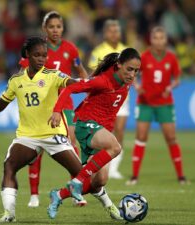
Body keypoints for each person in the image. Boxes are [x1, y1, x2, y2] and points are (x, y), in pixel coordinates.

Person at [0, 37, 85, 222]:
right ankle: (9, 214)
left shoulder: (53, 75)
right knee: (9, 166)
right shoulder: (16, 80)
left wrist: (90, 82)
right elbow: (0, 106)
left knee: (82, 174)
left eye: (44, 55)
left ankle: (109, 204)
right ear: (27, 55)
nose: (42, 59)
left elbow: (74, 83)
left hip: (53, 134)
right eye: (37, 55)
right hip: (28, 137)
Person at [47, 48, 141, 219]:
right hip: (86, 125)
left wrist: (107, 131)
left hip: (99, 130)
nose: (132, 74)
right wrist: (56, 111)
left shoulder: (126, 83)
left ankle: (58, 195)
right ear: (119, 65)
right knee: (115, 147)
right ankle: (76, 182)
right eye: (129, 69)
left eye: (136, 71)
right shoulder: (102, 81)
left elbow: (110, 111)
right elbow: (69, 89)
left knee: (99, 181)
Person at [19, 11, 88, 208]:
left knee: (71, 144)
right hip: (42, 105)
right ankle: (34, 195)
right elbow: (23, 70)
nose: (55, 30)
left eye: (58, 26)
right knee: (36, 148)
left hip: (65, 103)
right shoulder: (38, 49)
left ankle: (76, 191)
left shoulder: (70, 49)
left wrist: (88, 87)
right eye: (51, 27)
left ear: (63, 28)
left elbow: (80, 71)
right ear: (45, 29)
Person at [126, 26, 188, 185]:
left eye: (162, 38)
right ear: (151, 40)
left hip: (164, 103)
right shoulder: (144, 57)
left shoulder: (171, 58)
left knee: (171, 138)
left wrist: (170, 87)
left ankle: (181, 176)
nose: (159, 41)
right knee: (140, 137)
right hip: (145, 103)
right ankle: (134, 176)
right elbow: (131, 74)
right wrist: (137, 86)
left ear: (165, 40)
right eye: (156, 38)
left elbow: (177, 79)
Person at [88, 19, 127, 179]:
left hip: (122, 98)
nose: (114, 34)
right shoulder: (98, 51)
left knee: (119, 132)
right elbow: (93, 74)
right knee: (104, 133)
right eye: (111, 31)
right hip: (103, 100)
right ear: (105, 33)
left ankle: (114, 168)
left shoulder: (126, 50)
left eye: (116, 30)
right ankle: (103, 165)